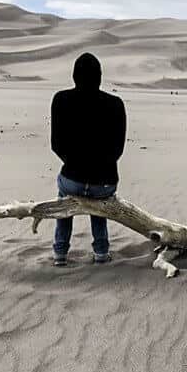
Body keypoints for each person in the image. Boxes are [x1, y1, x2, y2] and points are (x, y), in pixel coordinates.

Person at [50, 52, 127, 266]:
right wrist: (98, 166)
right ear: (100, 76)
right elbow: (118, 149)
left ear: (74, 75)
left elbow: (56, 145)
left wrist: (77, 164)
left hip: (72, 179)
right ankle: (101, 252)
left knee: (66, 202)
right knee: (98, 203)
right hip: (104, 182)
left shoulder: (61, 99)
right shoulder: (116, 104)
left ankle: (60, 254)